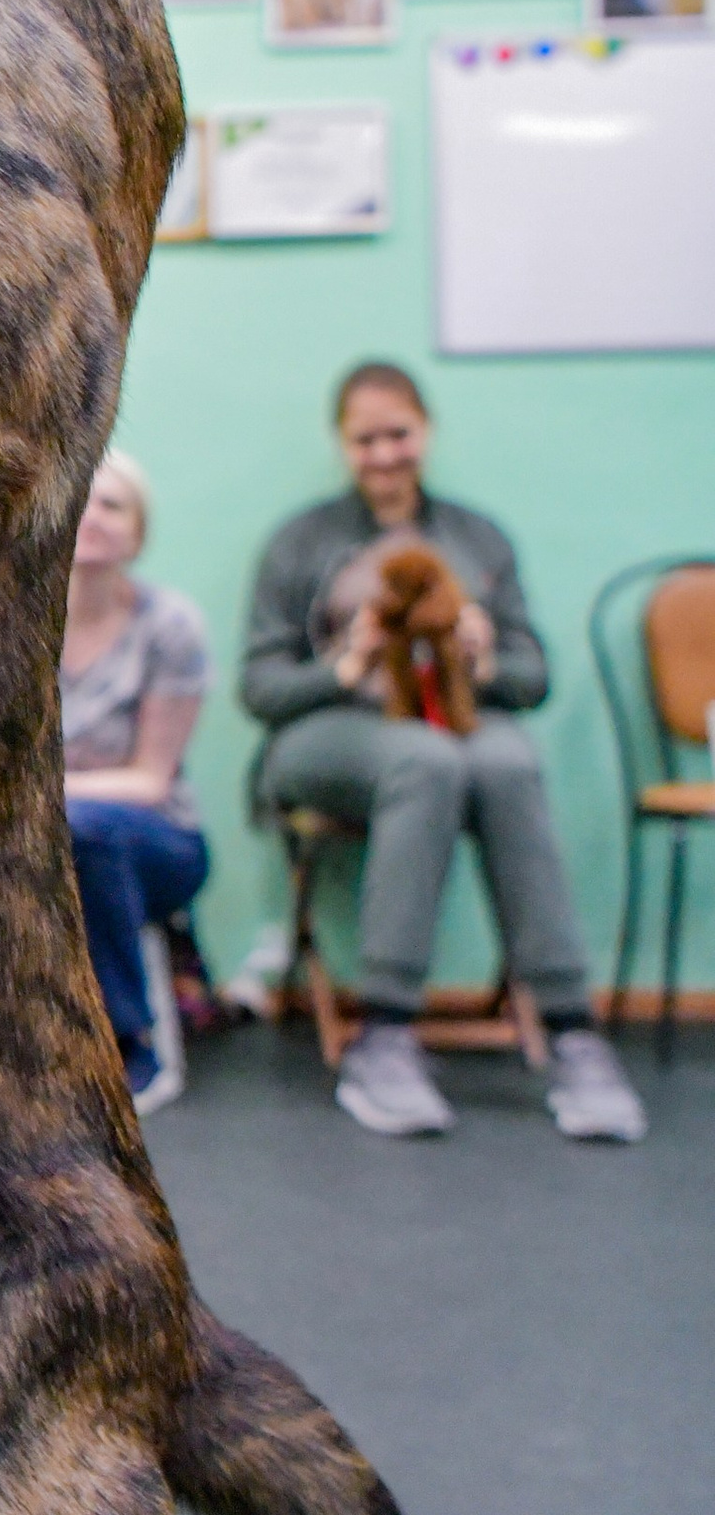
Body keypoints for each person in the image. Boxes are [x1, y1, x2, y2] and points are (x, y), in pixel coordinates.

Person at [243, 361, 647, 1142]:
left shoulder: (477, 537)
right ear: (342, 445)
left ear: (425, 433)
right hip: (327, 733)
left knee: (506, 760)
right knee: (423, 762)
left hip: (458, 720)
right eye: (366, 438)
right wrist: (346, 665)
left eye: (398, 433)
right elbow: (261, 691)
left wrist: (487, 658)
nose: (385, 453)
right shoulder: (301, 541)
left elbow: (535, 680)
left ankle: (572, 1032)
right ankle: (385, 1035)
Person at [60, 452, 207, 1115]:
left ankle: (130, 1042)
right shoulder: (8, 626)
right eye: (82, 499)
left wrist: (40, 801)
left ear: (138, 532)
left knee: (85, 831)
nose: (92, 516)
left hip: (158, 844)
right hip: (40, 835)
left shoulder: (169, 626)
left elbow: (150, 781)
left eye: (113, 504)